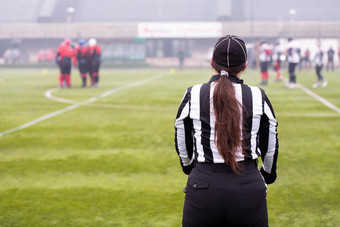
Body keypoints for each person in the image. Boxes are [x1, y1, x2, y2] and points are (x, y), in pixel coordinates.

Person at [174, 35, 279, 226]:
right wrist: (268, 174)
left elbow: (181, 130)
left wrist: (188, 166)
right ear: (245, 65)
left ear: (212, 63)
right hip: (247, 185)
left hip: (204, 184)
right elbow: (270, 138)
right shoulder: (257, 95)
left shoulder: (194, 92)